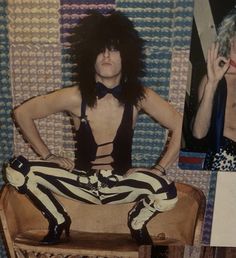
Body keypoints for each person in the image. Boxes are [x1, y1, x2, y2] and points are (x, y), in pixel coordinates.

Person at [5, 11, 181, 246]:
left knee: (167, 193)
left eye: (114, 48)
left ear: (127, 56)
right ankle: (58, 219)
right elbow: (22, 113)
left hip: (122, 183)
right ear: (89, 55)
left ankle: (137, 223)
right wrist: (48, 156)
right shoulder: (76, 95)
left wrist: (159, 169)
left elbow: (181, 126)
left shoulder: (140, 96)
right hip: (80, 182)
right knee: (17, 170)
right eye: (100, 49)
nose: (106, 55)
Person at [192, 9, 236, 171]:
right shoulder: (214, 77)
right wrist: (212, 83)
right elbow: (198, 133)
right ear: (230, 37)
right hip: (224, 159)